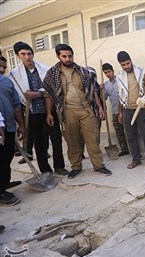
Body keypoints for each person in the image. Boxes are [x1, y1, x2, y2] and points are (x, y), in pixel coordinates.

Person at [42, 43, 112, 179]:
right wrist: (49, 113)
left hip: (86, 109)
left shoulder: (83, 72)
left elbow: (92, 92)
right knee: (72, 141)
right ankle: (76, 167)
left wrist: (100, 107)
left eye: (70, 56)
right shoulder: (52, 74)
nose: (68, 59)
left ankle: (99, 166)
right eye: (64, 56)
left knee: (92, 138)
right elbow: (48, 95)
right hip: (67, 111)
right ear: (58, 56)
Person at [8, 42, 68, 176]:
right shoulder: (14, 75)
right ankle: (45, 170)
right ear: (18, 56)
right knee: (39, 143)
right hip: (32, 113)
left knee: (56, 139)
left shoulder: (45, 69)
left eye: (29, 54)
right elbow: (17, 95)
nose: (27, 57)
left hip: (49, 110)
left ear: (33, 54)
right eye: (23, 54)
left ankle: (59, 166)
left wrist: (38, 94)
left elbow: (52, 88)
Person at [116, 51, 145, 169]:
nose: (126, 66)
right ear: (120, 64)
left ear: (131, 60)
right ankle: (136, 159)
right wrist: (120, 112)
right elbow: (120, 95)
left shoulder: (142, 72)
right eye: (123, 65)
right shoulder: (120, 76)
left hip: (143, 109)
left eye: (128, 63)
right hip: (127, 110)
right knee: (131, 136)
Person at [0, 64, 26, 206]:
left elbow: (16, 105)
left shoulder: (6, 82)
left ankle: (3, 185)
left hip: (8, 127)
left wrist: (21, 125)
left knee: (7, 157)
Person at [101, 63, 129, 157]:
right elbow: (103, 98)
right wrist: (101, 90)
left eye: (109, 72)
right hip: (115, 111)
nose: (108, 74)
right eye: (106, 73)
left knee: (130, 130)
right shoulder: (106, 85)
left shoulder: (120, 80)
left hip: (126, 109)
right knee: (119, 131)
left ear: (112, 71)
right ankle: (124, 149)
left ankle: (133, 148)